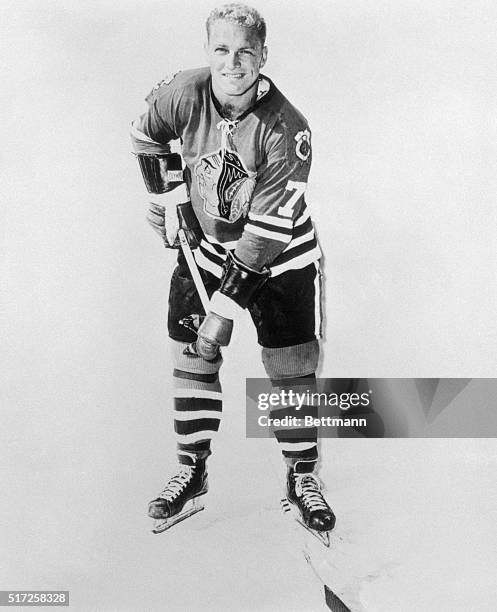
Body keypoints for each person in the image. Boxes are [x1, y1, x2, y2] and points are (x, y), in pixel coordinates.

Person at [130, 2, 335, 541]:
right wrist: (171, 199)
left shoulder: (288, 128)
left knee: (289, 364)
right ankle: (191, 471)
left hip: (279, 256)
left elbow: (266, 233)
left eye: (246, 51)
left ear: (263, 55)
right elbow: (146, 135)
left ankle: (302, 475)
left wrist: (223, 309)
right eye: (222, 49)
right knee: (191, 354)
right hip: (206, 248)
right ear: (208, 52)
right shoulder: (181, 93)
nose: (234, 62)